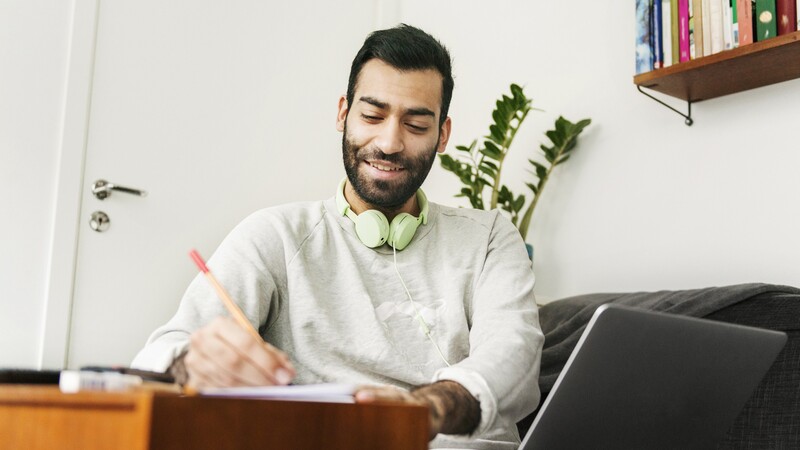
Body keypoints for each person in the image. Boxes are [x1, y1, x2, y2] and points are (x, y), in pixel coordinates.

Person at [132, 24, 543, 449]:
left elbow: (514, 354)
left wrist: (424, 412)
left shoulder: (491, 236)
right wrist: (192, 363)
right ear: (343, 114)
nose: (389, 142)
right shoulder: (275, 235)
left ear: (443, 135)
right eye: (372, 116)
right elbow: (157, 355)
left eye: (416, 124)